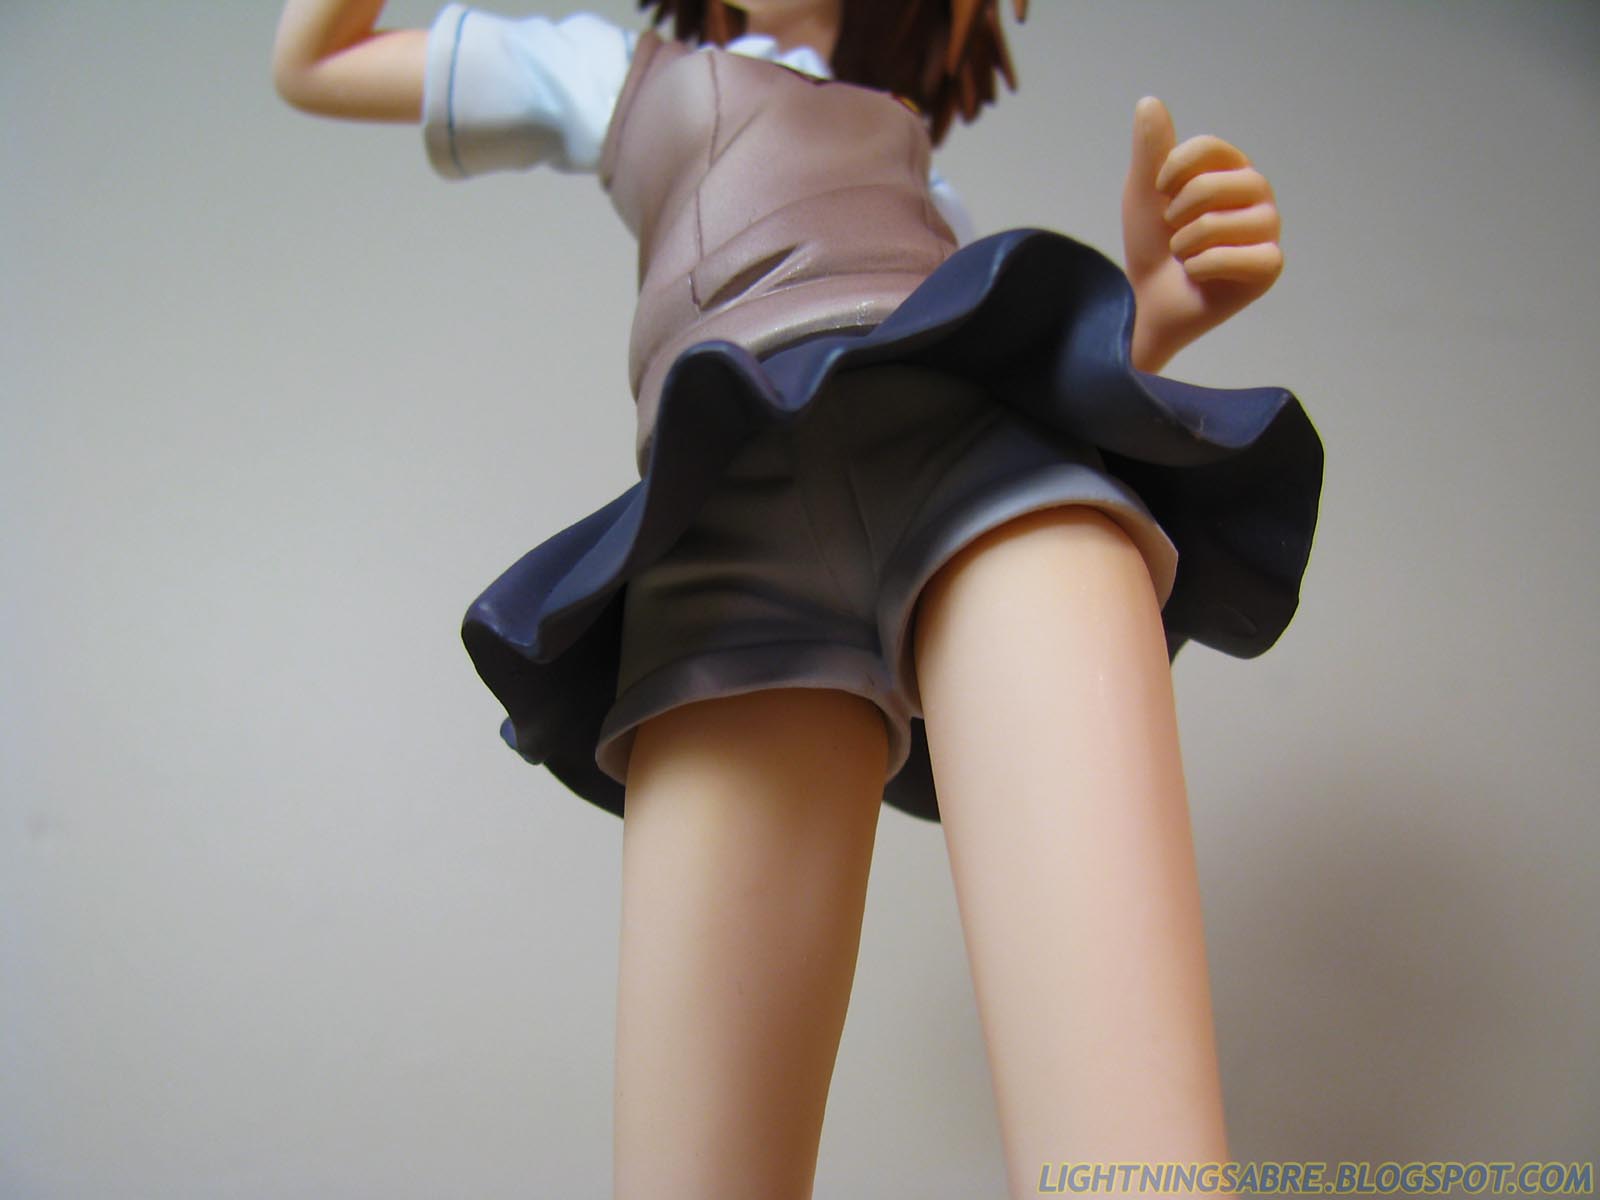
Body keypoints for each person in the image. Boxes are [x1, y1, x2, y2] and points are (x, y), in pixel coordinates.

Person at [272, 2, 1321, 1195]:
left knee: (1137, 1161)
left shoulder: (917, 167)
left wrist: (1150, 311)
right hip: (726, 537)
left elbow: (986, 338)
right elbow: (319, 61)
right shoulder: (615, 73)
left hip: (987, 479)